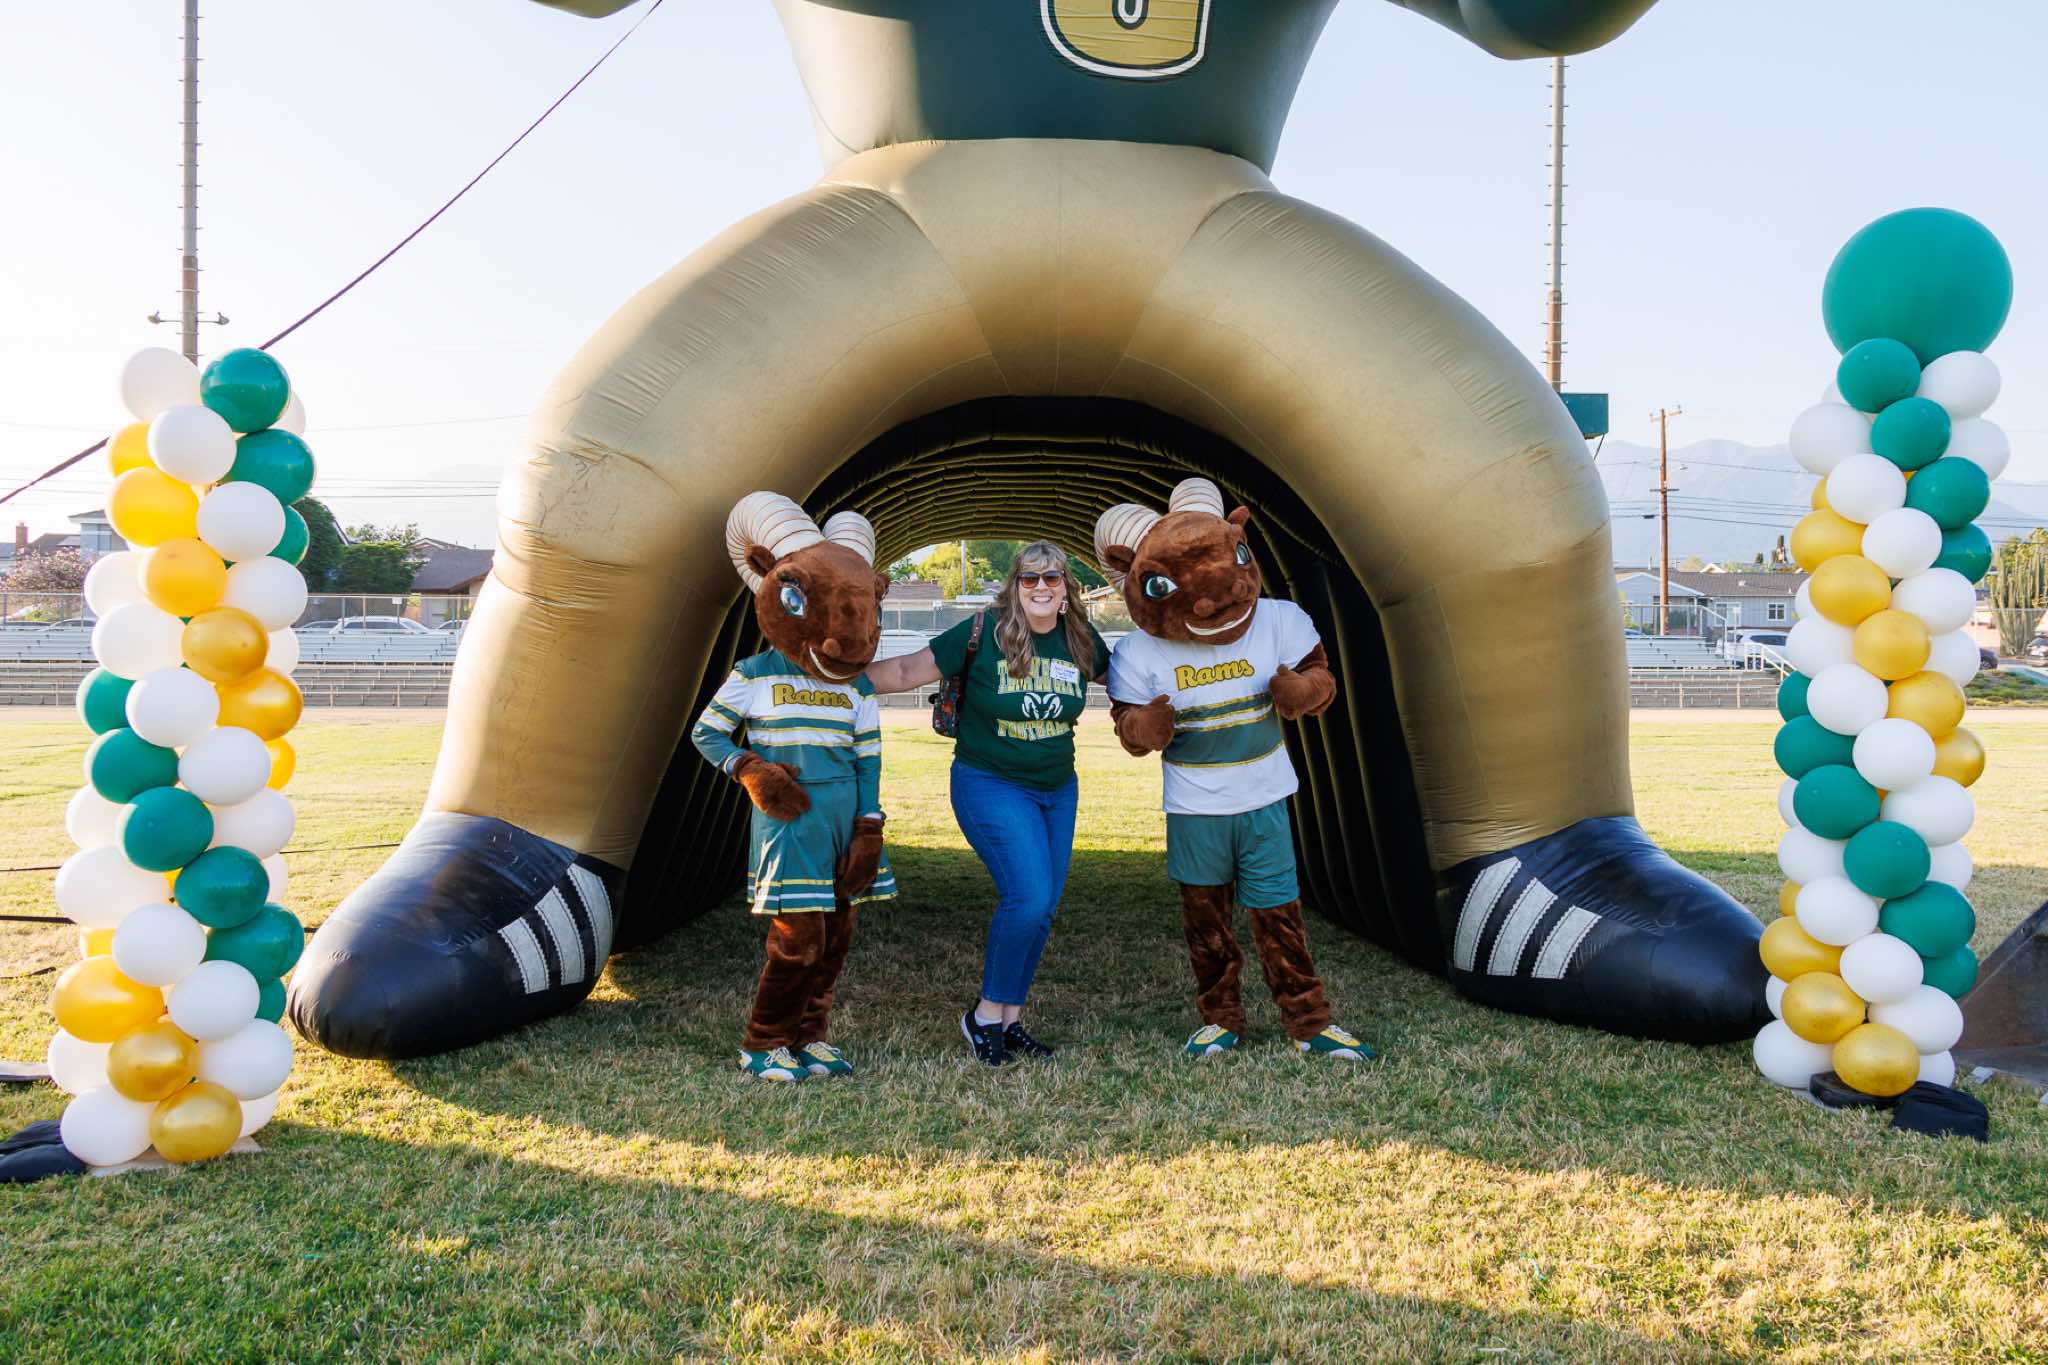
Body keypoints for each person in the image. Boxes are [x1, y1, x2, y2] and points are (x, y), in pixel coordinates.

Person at [865, 542, 1109, 1065]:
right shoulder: (984, 632)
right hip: (990, 782)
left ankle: (1009, 1021)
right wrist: (823, 675)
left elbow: (1132, 681)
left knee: (1042, 908)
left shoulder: (1081, 639)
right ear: (1014, 586)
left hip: (1057, 789)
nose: (1041, 587)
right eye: (1029, 578)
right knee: (1029, 896)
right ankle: (983, 1017)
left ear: (1066, 588)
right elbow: (905, 672)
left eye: (1052, 578)